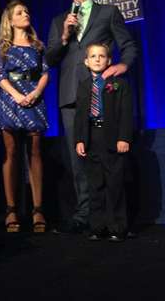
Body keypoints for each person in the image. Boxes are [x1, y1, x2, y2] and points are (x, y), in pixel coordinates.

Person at [46, 0, 137, 234]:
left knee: (106, 155)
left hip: (102, 93)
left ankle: (111, 216)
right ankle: (85, 214)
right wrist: (64, 36)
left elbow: (129, 45)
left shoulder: (108, 12)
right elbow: (51, 59)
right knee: (78, 157)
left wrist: (122, 66)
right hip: (71, 95)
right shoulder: (59, 19)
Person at [0, 0, 49, 233]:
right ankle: (11, 209)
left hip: (34, 100)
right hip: (11, 100)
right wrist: (16, 95)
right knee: (11, 152)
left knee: (35, 153)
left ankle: (38, 210)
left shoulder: (37, 45)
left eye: (27, 11)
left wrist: (36, 92)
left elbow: (45, 73)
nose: (26, 14)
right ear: (10, 20)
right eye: (20, 12)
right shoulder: (1, 47)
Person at [75, 43, 133, 242]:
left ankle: (117, 227)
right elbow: (80, 115)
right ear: (86, 61)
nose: (97, 59)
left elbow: (126, 113)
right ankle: (97, 227)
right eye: (93, 56)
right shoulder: (83, 85)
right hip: (91, 138)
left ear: (109, 61)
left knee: (114, 184)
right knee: (95, 185)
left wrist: (123, 137)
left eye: (102, 56)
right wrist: (80, 139)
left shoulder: (119, 84)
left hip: (112, 138)